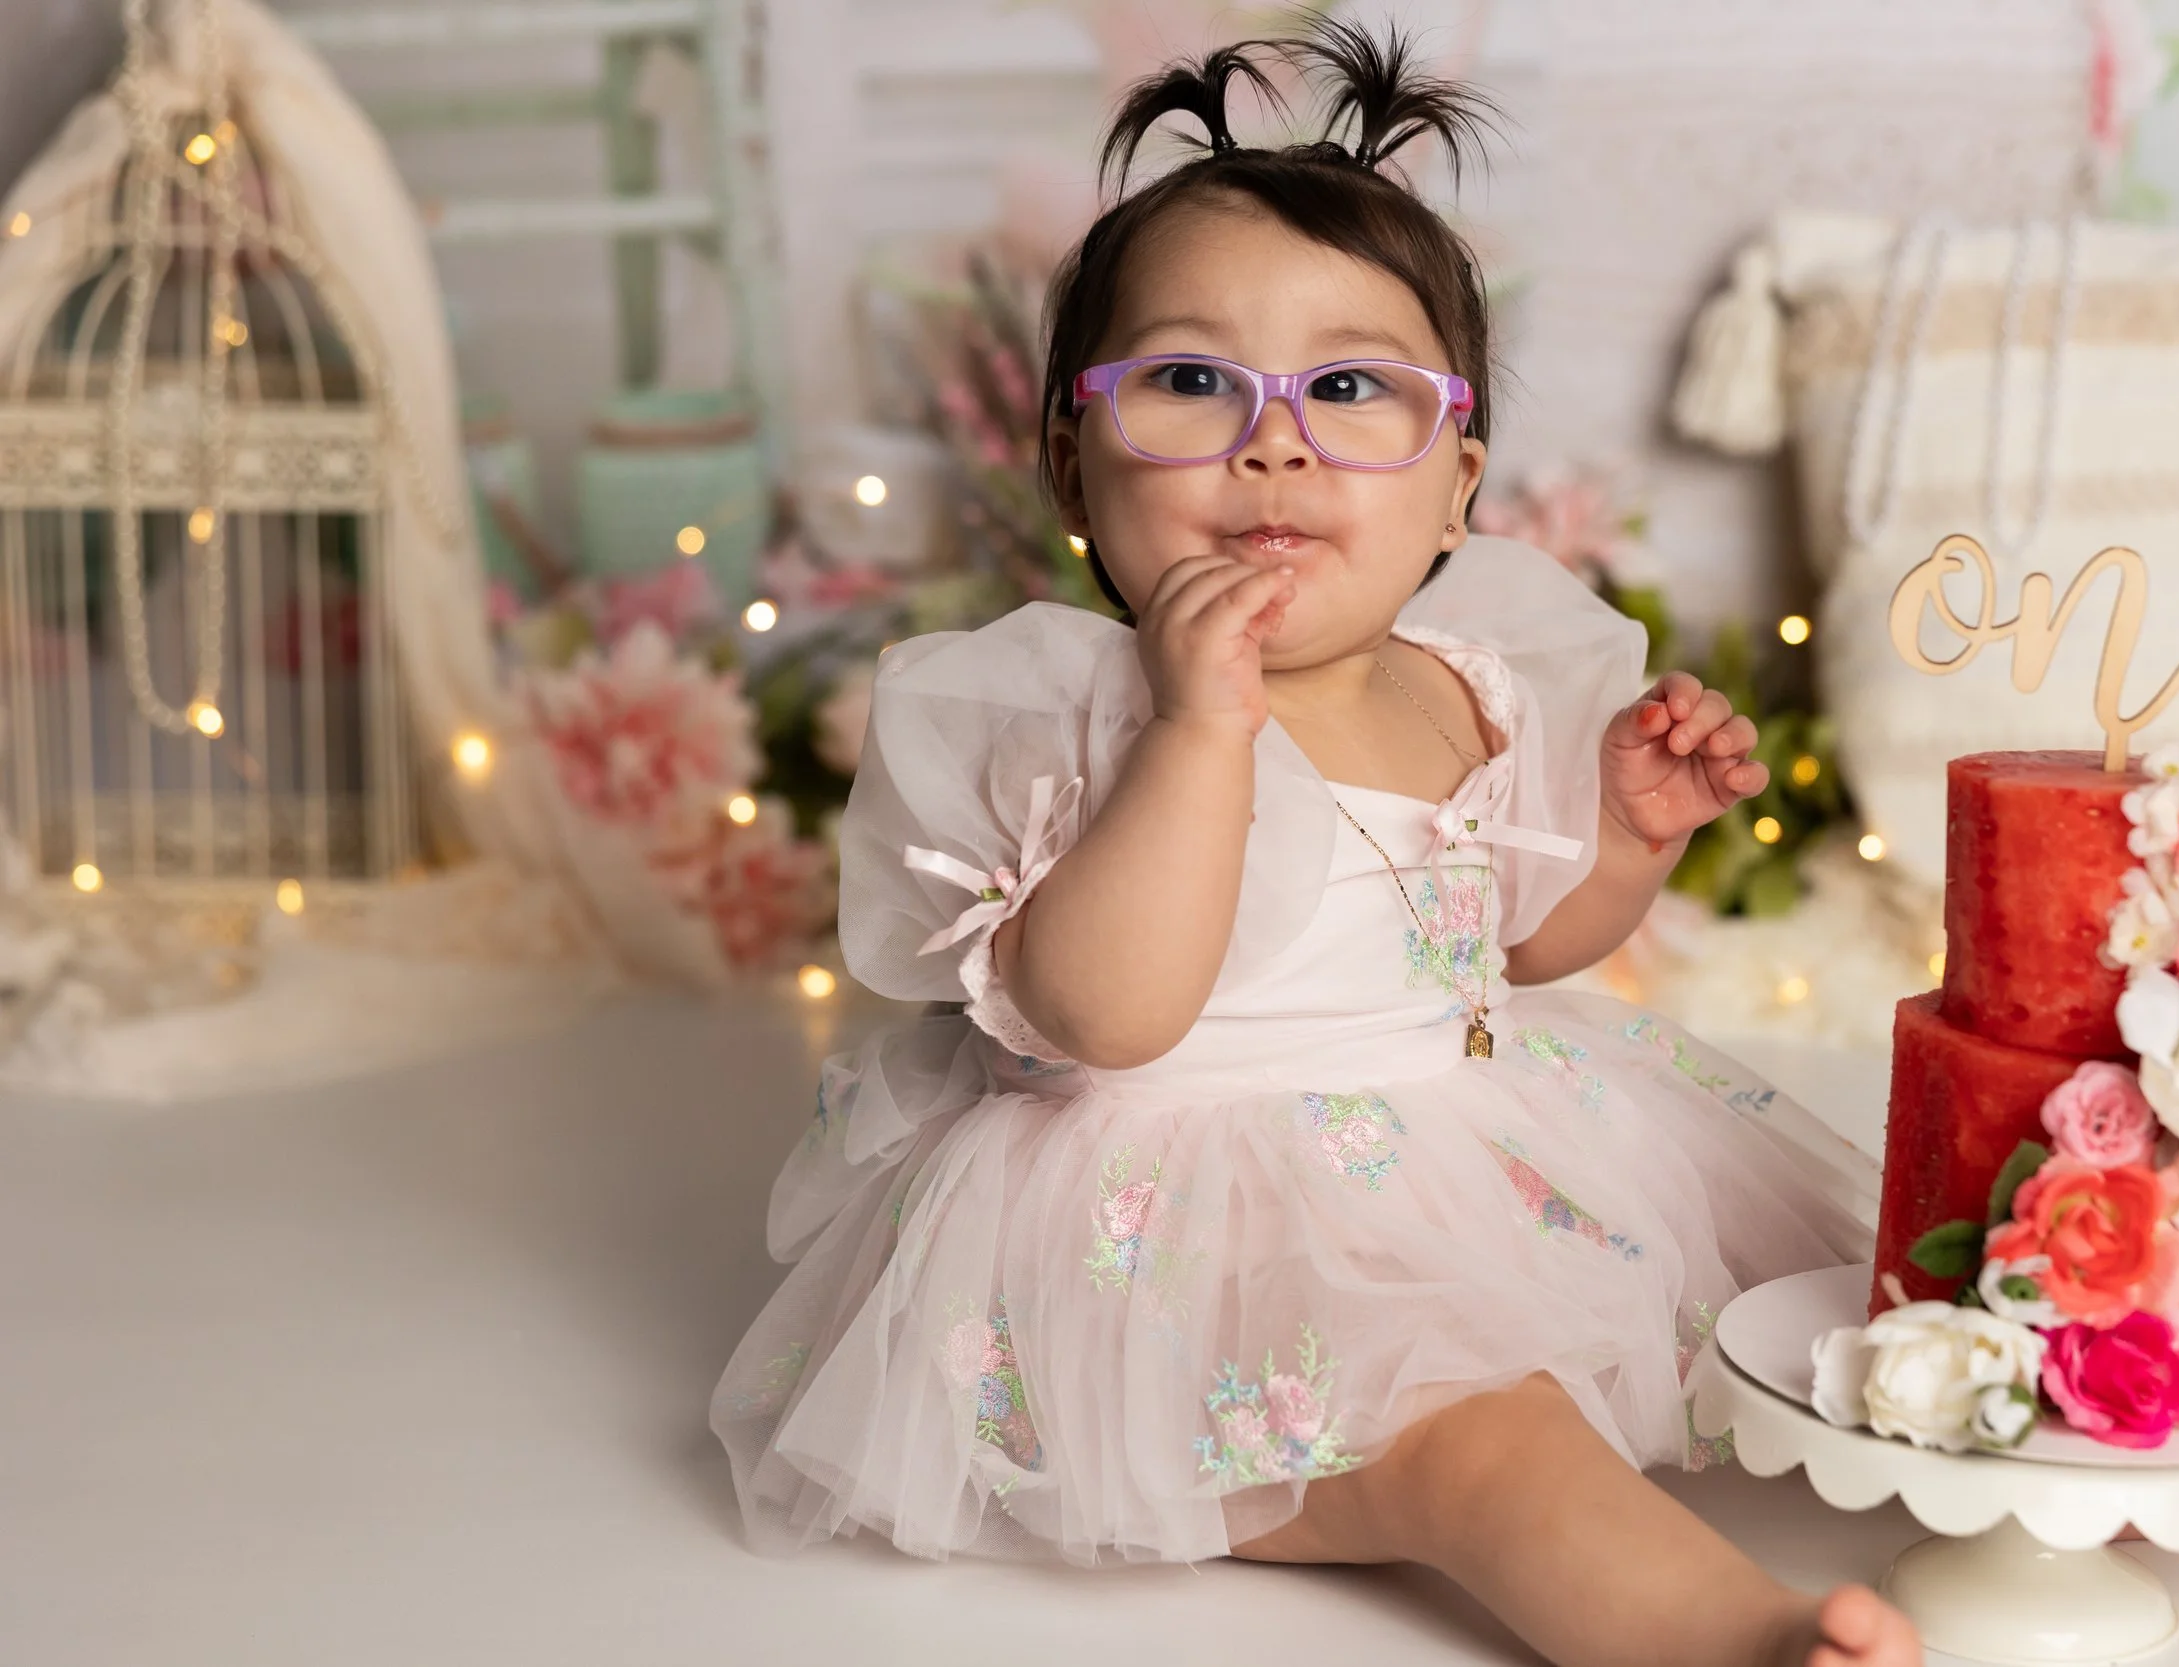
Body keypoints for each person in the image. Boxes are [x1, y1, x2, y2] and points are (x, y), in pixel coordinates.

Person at [714, 20, 1917, 1665]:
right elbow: (1105, 1014)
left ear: (1455, 487)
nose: (1271, 439)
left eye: (1353, 388)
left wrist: (1624, 844)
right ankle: (1729, 1638)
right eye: (1190, 381)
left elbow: (1508, 948)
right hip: (1191, 1226)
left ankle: (2048, 1436)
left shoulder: (1461, 683)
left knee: (1832, 1298)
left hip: (1461, 1152)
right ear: (1075, 457)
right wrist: (1200, 732)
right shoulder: (1074, 712)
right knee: (1484, 1448)